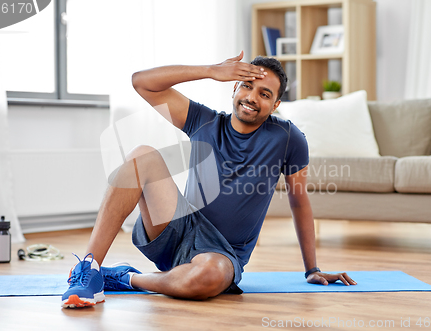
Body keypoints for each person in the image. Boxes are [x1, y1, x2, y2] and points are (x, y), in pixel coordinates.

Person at [61, 51, 356, 308]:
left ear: (276, 105)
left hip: (221, 255)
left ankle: (127, 278)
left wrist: (311, 269)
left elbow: (299, 202)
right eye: (247, 86)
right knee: (142, 156)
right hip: (177, 230)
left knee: (210, 277)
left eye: (265, 94)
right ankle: (89, 268)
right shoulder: (203, 121)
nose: (252, 97)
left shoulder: (289, 139)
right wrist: (211, 71)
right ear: (234, 88)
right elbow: (141, 82)